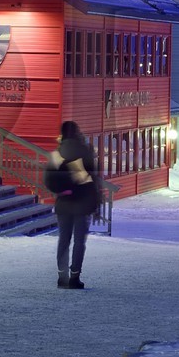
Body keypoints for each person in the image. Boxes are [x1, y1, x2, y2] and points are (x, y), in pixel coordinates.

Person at [46, 121, 102, 289]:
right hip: (82, 203)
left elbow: (48, 180)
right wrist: (96, 202)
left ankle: (61, 277)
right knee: (79, 241)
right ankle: (74, 278)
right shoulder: (86, 152)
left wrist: (63, 190)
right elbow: (94, 180)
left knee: (63, 239)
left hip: (63, 203)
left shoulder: (56, 154)